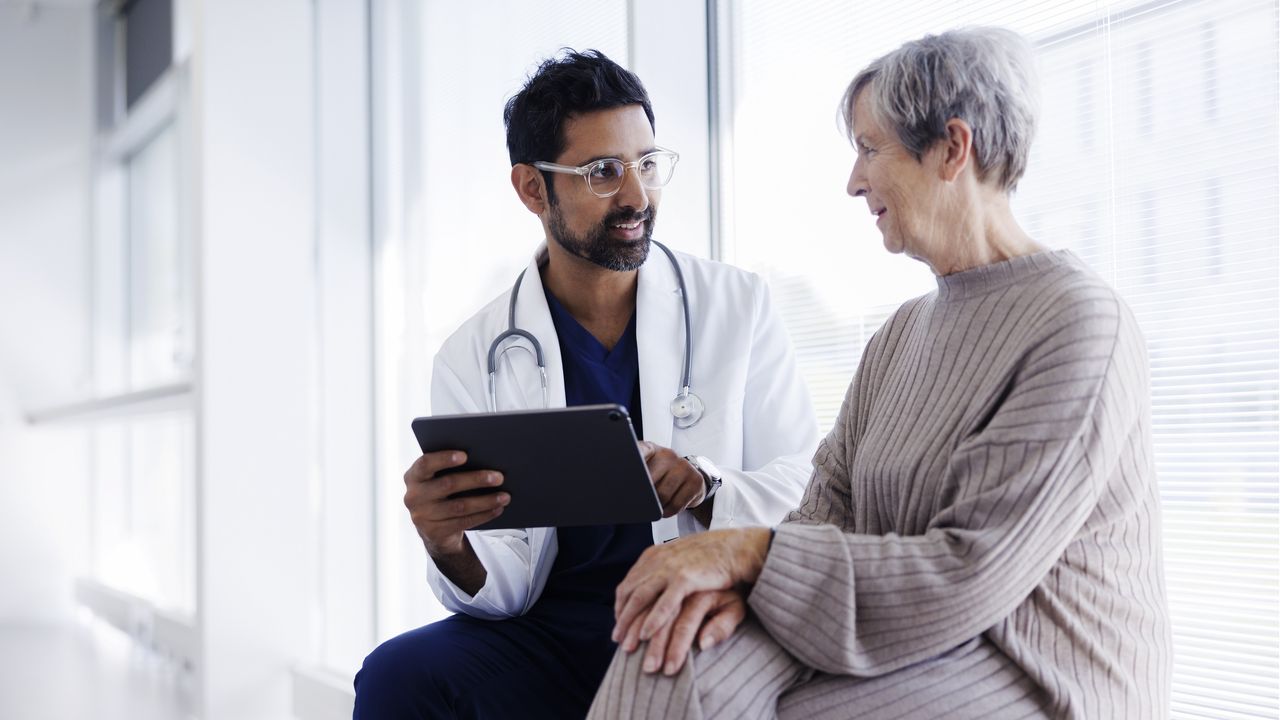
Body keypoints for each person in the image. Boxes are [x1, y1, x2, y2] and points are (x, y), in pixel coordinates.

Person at [588, 27, 1172, 719]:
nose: (853, 180)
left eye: (870, 148)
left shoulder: (1078, 325)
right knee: (663, 655)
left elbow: (969, 570)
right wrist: (732, 581)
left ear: (953, 148)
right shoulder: (899, 335)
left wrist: (749, 557)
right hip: (905, 636)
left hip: (1036, 665)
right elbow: (824, 513)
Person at [352, 49, 818, 719]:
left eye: (647, 165)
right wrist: (448, 544)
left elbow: (804, 489)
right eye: (603, 172)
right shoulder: (472, 355)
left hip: (690, 608)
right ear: (532, 189)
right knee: (397, 677)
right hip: (549, 632)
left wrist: (707, 486)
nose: (636, 196)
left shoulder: (737, 307)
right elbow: (504, 583)